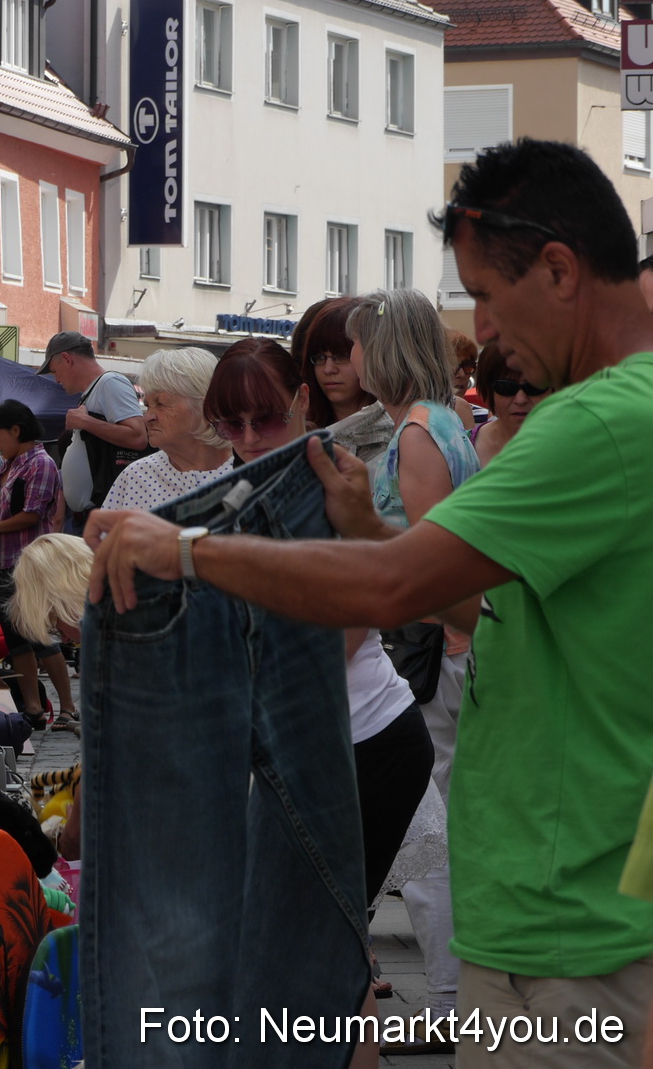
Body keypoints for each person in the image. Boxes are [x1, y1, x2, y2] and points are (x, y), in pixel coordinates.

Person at [85, 138, 653, 1068]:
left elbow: (396, 591)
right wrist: (366, 529)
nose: (488, 331)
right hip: (547, 917)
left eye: (490, 295)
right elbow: (471, 609)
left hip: (575, 934)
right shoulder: (586, 414)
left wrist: (187, 550)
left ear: (559, 268)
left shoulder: (597, 422)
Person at [206, 337, 432, 919]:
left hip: (365, 743)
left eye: (269, 419)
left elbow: (337, 639)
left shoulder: (337, 488)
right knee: (314, 941)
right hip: (308, 745)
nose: (252, 440)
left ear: (302, 400)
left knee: (322, 939)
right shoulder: (230, 500)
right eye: (233, 424)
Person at [349, 288, 481, 1022]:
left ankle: (456, 1000)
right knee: (437, 835)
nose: (354, 358)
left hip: (431, 653)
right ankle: (458, 995)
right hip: (441, 650)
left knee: (429, 843)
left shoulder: (420, 433)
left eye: (361, 342)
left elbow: (428, 557)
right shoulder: (439, 423)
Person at [0, 399, 76, 731]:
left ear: (16, 431)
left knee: (41, 637)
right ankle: (33, 708)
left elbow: (29, 515)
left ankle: (68, 709)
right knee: (17, 641)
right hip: (3, 561)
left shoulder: (40, 464)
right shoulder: (9, 463)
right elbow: (2, 511)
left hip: (29, 564)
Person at [37, 330, 147, 532]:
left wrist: (86, 422)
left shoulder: (110, 382)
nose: (57, 380)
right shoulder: (96, 389)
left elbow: (138, 436)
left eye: (54, 372)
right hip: (95, 516)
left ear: (67, 359)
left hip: (107, 516)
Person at [100, 347, 232, 511]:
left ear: (206, 406)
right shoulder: (137, 476)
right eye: (147, 406)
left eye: (161, 403)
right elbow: (104, 536)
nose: (148, 417)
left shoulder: (249, 472)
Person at [294, 297, 394, 464]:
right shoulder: (298, 428)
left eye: (340, 356)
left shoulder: (396, 428)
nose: (328, 369)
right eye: (319, 358)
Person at [469, 341, 550, 466]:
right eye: (506, 387)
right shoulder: (464, 449)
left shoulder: (579, 445)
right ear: (489, 389)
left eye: (534, 386)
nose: (521, 399)